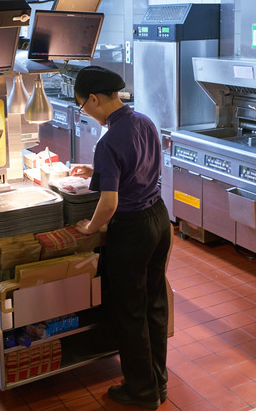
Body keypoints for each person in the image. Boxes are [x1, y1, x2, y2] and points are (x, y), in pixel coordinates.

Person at [70, 66, 171, 410]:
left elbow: (109, 203)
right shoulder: (144, 121)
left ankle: (142, 391)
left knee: (130, 310)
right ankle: (158, 380)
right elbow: (139, 168)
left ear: (95, 99)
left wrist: (90, 227)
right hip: (159, 218)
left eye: (83, 106)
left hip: (132, 229)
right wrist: (95, 171)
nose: (86, 112)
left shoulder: (109, 139)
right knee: (154, 303)